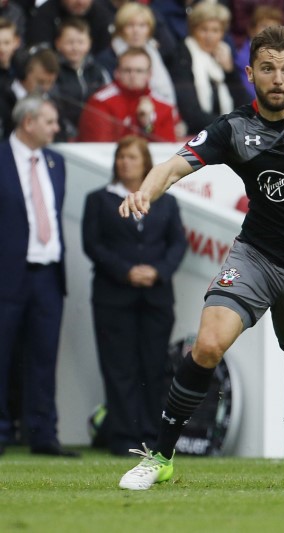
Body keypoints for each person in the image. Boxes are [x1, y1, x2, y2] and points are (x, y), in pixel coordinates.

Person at [116, 24, 284, 490]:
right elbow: (172, 165)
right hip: (257, 256)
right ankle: (159, 456)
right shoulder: (232, 129)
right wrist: (146, 191)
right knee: (207, 345)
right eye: (267, 68)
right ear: (250, 73)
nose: (278, 78)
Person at [82, 135, 188, 456]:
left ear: (145, 163)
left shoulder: (166, 202)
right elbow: (93, 245)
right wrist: (126, 270)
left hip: (155, 298)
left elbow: (178, 244)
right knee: (119, 367)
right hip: (113, 296)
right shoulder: (99, 200)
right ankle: (123, 436)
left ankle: (150, 435)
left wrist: (158, 271)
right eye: (121, 157)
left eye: (132, 157)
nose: (125, 162)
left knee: (153, 367)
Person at [0, 95, 78, 457]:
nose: (56, 128)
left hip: (48, 275)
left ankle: (43, 435)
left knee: (44, 358)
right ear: (28, 122)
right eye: (49, 121)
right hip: (7, 276)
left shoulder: (55, 161)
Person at [170, 1, 250, 136]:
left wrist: (230, 71)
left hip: (224, 133)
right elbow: (190, 113)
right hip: (195, 136)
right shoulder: (182, 56)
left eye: (215, 30)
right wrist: (230, 125)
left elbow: (244, 103)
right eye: (204, 29)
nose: (209, 36)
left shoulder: (224, 54)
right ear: (193, 30)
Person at [78, 47, 177, 142]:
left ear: (149, 74)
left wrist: (147, 125)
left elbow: (167, 148)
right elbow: (99, 148)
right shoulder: (100, 102)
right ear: (117, 73)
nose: (133, 76)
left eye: (139, 71)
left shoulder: (164, 106)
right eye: (127, 70)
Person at [95, 2, 177, 108]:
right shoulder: (108, 58)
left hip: (160, 113)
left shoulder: (154, 52)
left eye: (142, 25)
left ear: (150, 29)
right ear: (120, 29)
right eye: (130, 25)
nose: (136, 31)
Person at [53, 17, 110, 141]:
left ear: (89, 43)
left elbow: (108, 101)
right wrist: (68, 132)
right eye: (69, 42)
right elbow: (53, 105)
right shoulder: (54, 72)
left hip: (95, 134)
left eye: (80, 42)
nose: (75, 47)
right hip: (63, 136)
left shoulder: (98, 71)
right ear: (58, 43)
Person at [27, 0, 114, 55]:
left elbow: (104, 53)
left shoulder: (102, 15)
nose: (80, 2)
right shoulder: (44, 15)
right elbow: (41, 52)